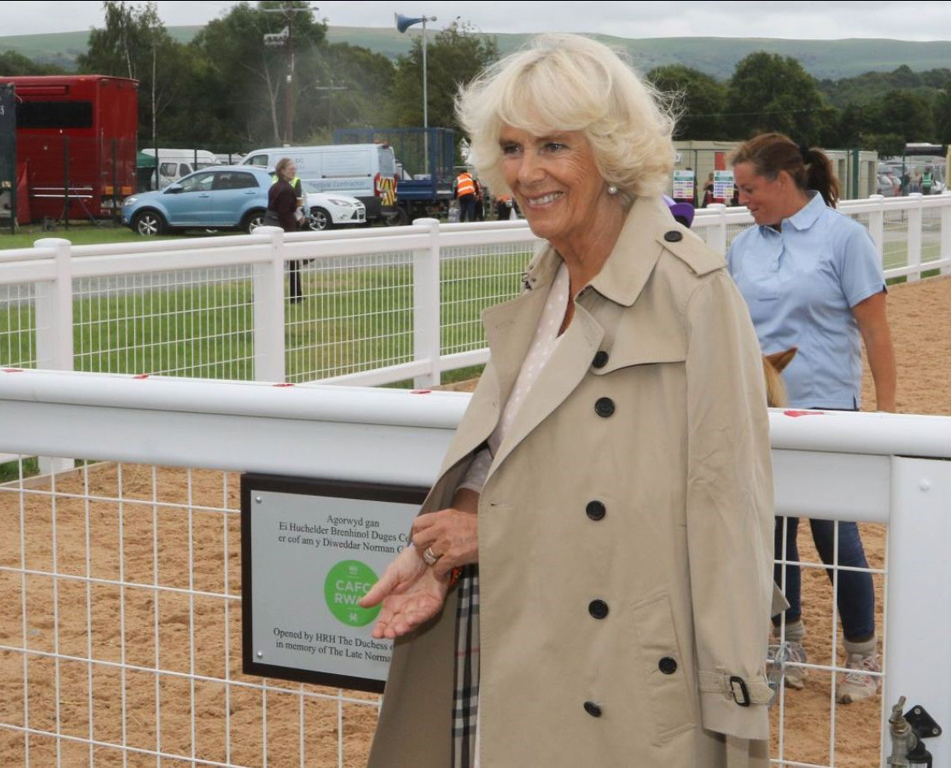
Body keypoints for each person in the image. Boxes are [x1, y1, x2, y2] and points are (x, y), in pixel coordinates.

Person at [361, 34, 774, 768]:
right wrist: (441, 550)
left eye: (554, 146)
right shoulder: (545, 281)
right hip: (525, 649)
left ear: (611, 151)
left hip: (629, 685)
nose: (528, 173)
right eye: (512, 148)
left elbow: (723, 514)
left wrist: (732, 704)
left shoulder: (693, 293)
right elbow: (517, 459)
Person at [727, 132, 897, 704]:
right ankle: (789, 644)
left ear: (782, 180)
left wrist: (886, 415)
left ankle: (863, 654)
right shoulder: (743, 247)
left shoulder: (844, 239)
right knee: (774, 537)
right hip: (760, 414)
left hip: (826, 409)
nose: (742, 200)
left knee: (835, 534)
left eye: (749, 189)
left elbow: (875, 331)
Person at [268, 157, 303, 303]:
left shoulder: (275, 186)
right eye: (291, 169)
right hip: (284, 230)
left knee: (270, 266)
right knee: (293, 263)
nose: (294, 171)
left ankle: (261, 295)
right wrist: (294, 227)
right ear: (282, 171)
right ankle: (296, 296)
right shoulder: (287, 189)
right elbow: (285, 213)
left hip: (271, 226)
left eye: (295, 169)